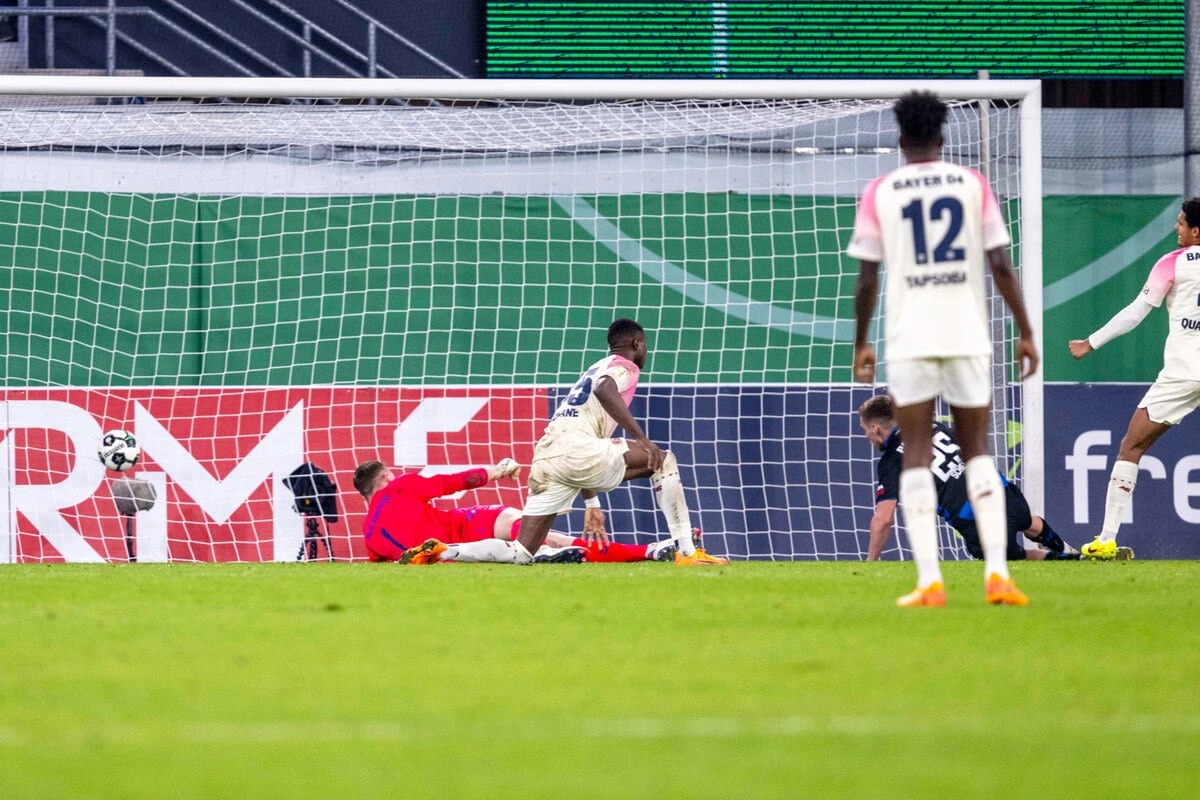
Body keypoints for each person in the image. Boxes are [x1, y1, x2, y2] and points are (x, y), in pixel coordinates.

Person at [848, 90, 1040, 607]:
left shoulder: (880, 191)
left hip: (910, 338)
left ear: (899, 137)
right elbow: (1001, 266)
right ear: (942, 137)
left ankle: (930, 582)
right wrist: (1025, 330)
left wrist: (862, 340)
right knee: (978, 453)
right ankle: (999, 574)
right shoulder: (971, 184)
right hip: (967, 335)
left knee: (914, 455)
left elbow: (868, 278)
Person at [510, 318, 729, 566]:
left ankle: (456, 551)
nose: (645, 352)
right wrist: (642, 440)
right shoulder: (624, 367)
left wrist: (592, 503)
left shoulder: (595, 367)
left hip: (551, 453)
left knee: (521, 551)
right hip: (575, 451)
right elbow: (604, 389)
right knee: (663, 460)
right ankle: (689, 553)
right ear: (637, 343)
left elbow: (586, 439)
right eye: (645, 346)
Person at [1068, 197, 1200, 559]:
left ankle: (1107, 539)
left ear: (1196, 231)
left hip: (1184, 373)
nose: (1176, 227)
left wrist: (1089, 343)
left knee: (1132, 446)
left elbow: (1137, 312)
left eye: (1181, 222)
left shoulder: (1173, 263)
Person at [858, 395, 1082, 563]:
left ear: (876, 428)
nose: (866, 436)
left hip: (978, 522)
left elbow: (884, 518)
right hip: (1002, 492)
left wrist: (870, 561)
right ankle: (1068, 549)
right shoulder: (934, 426)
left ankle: (1068, 562)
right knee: (1027, 521)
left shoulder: (891, 462)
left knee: (1016, 559)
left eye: (865, 430)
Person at [352, 458, 679, 564]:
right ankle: (650, 550)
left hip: (451, 555)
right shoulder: (397, 487)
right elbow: (451, 482)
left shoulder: (368, 536)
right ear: (384, 478)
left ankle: (651, 551)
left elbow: (383, 565)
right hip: (469, 525)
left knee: (547, 542)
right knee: (552, 539)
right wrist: (496, 471)